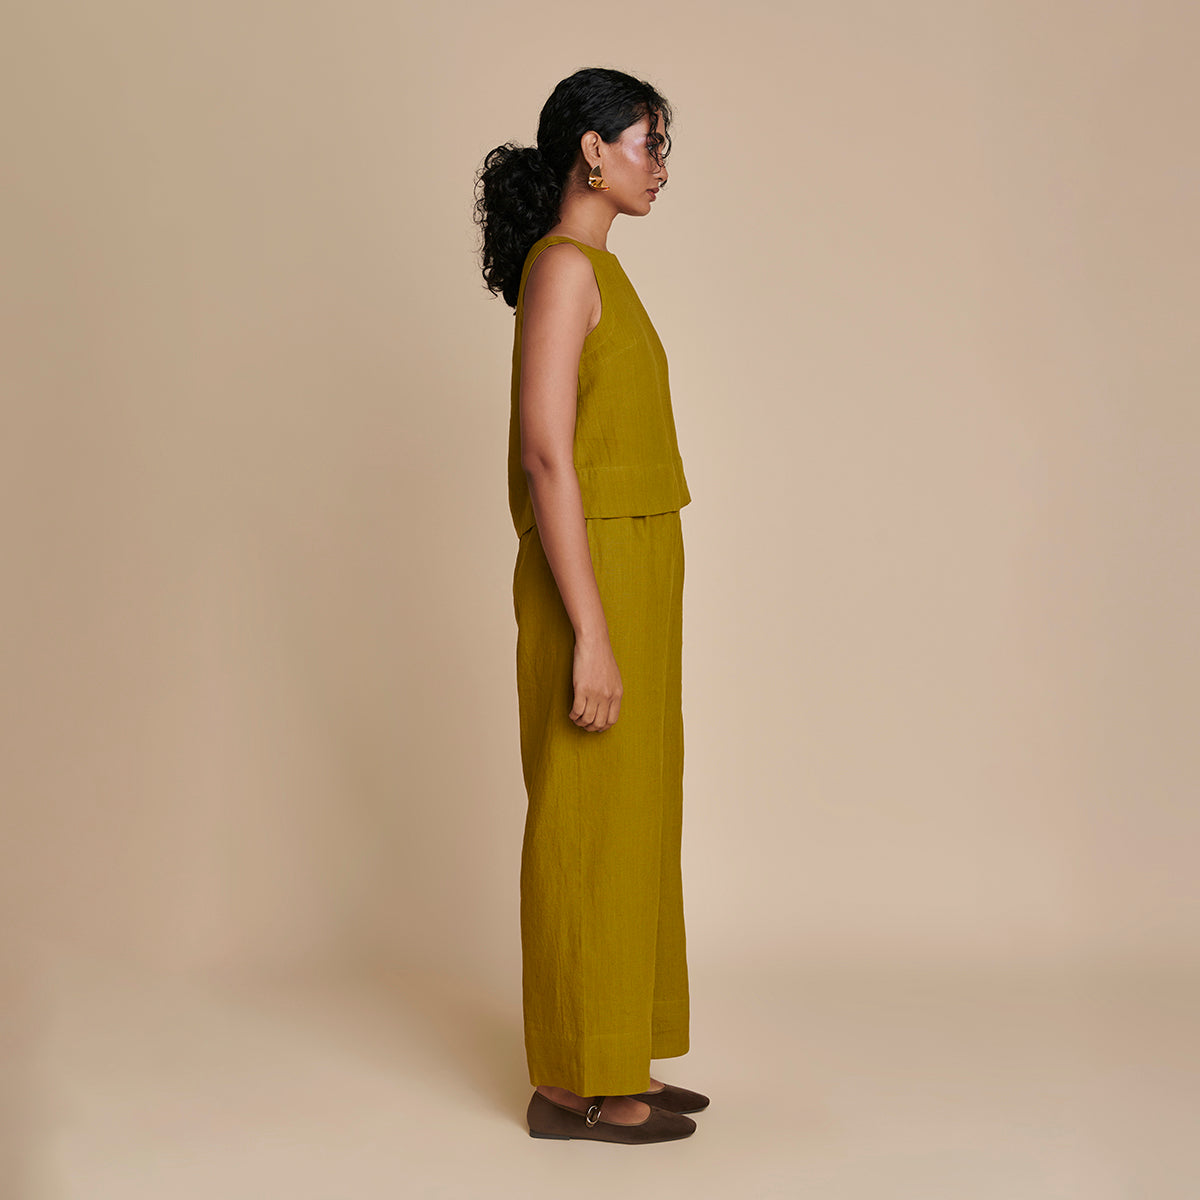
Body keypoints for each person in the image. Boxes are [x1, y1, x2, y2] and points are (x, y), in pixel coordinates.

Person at [474, 67, 709, 1145]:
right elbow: (546, 455)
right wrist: (593, 635)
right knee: (586, 818)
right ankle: (578, 1083)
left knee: (631, 817)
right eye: (648, 143)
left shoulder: (598, 271)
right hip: (593, 573)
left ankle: (605, 1060)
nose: (659, 167)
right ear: (592, 152)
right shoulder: (565, 269)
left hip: (634, 563)